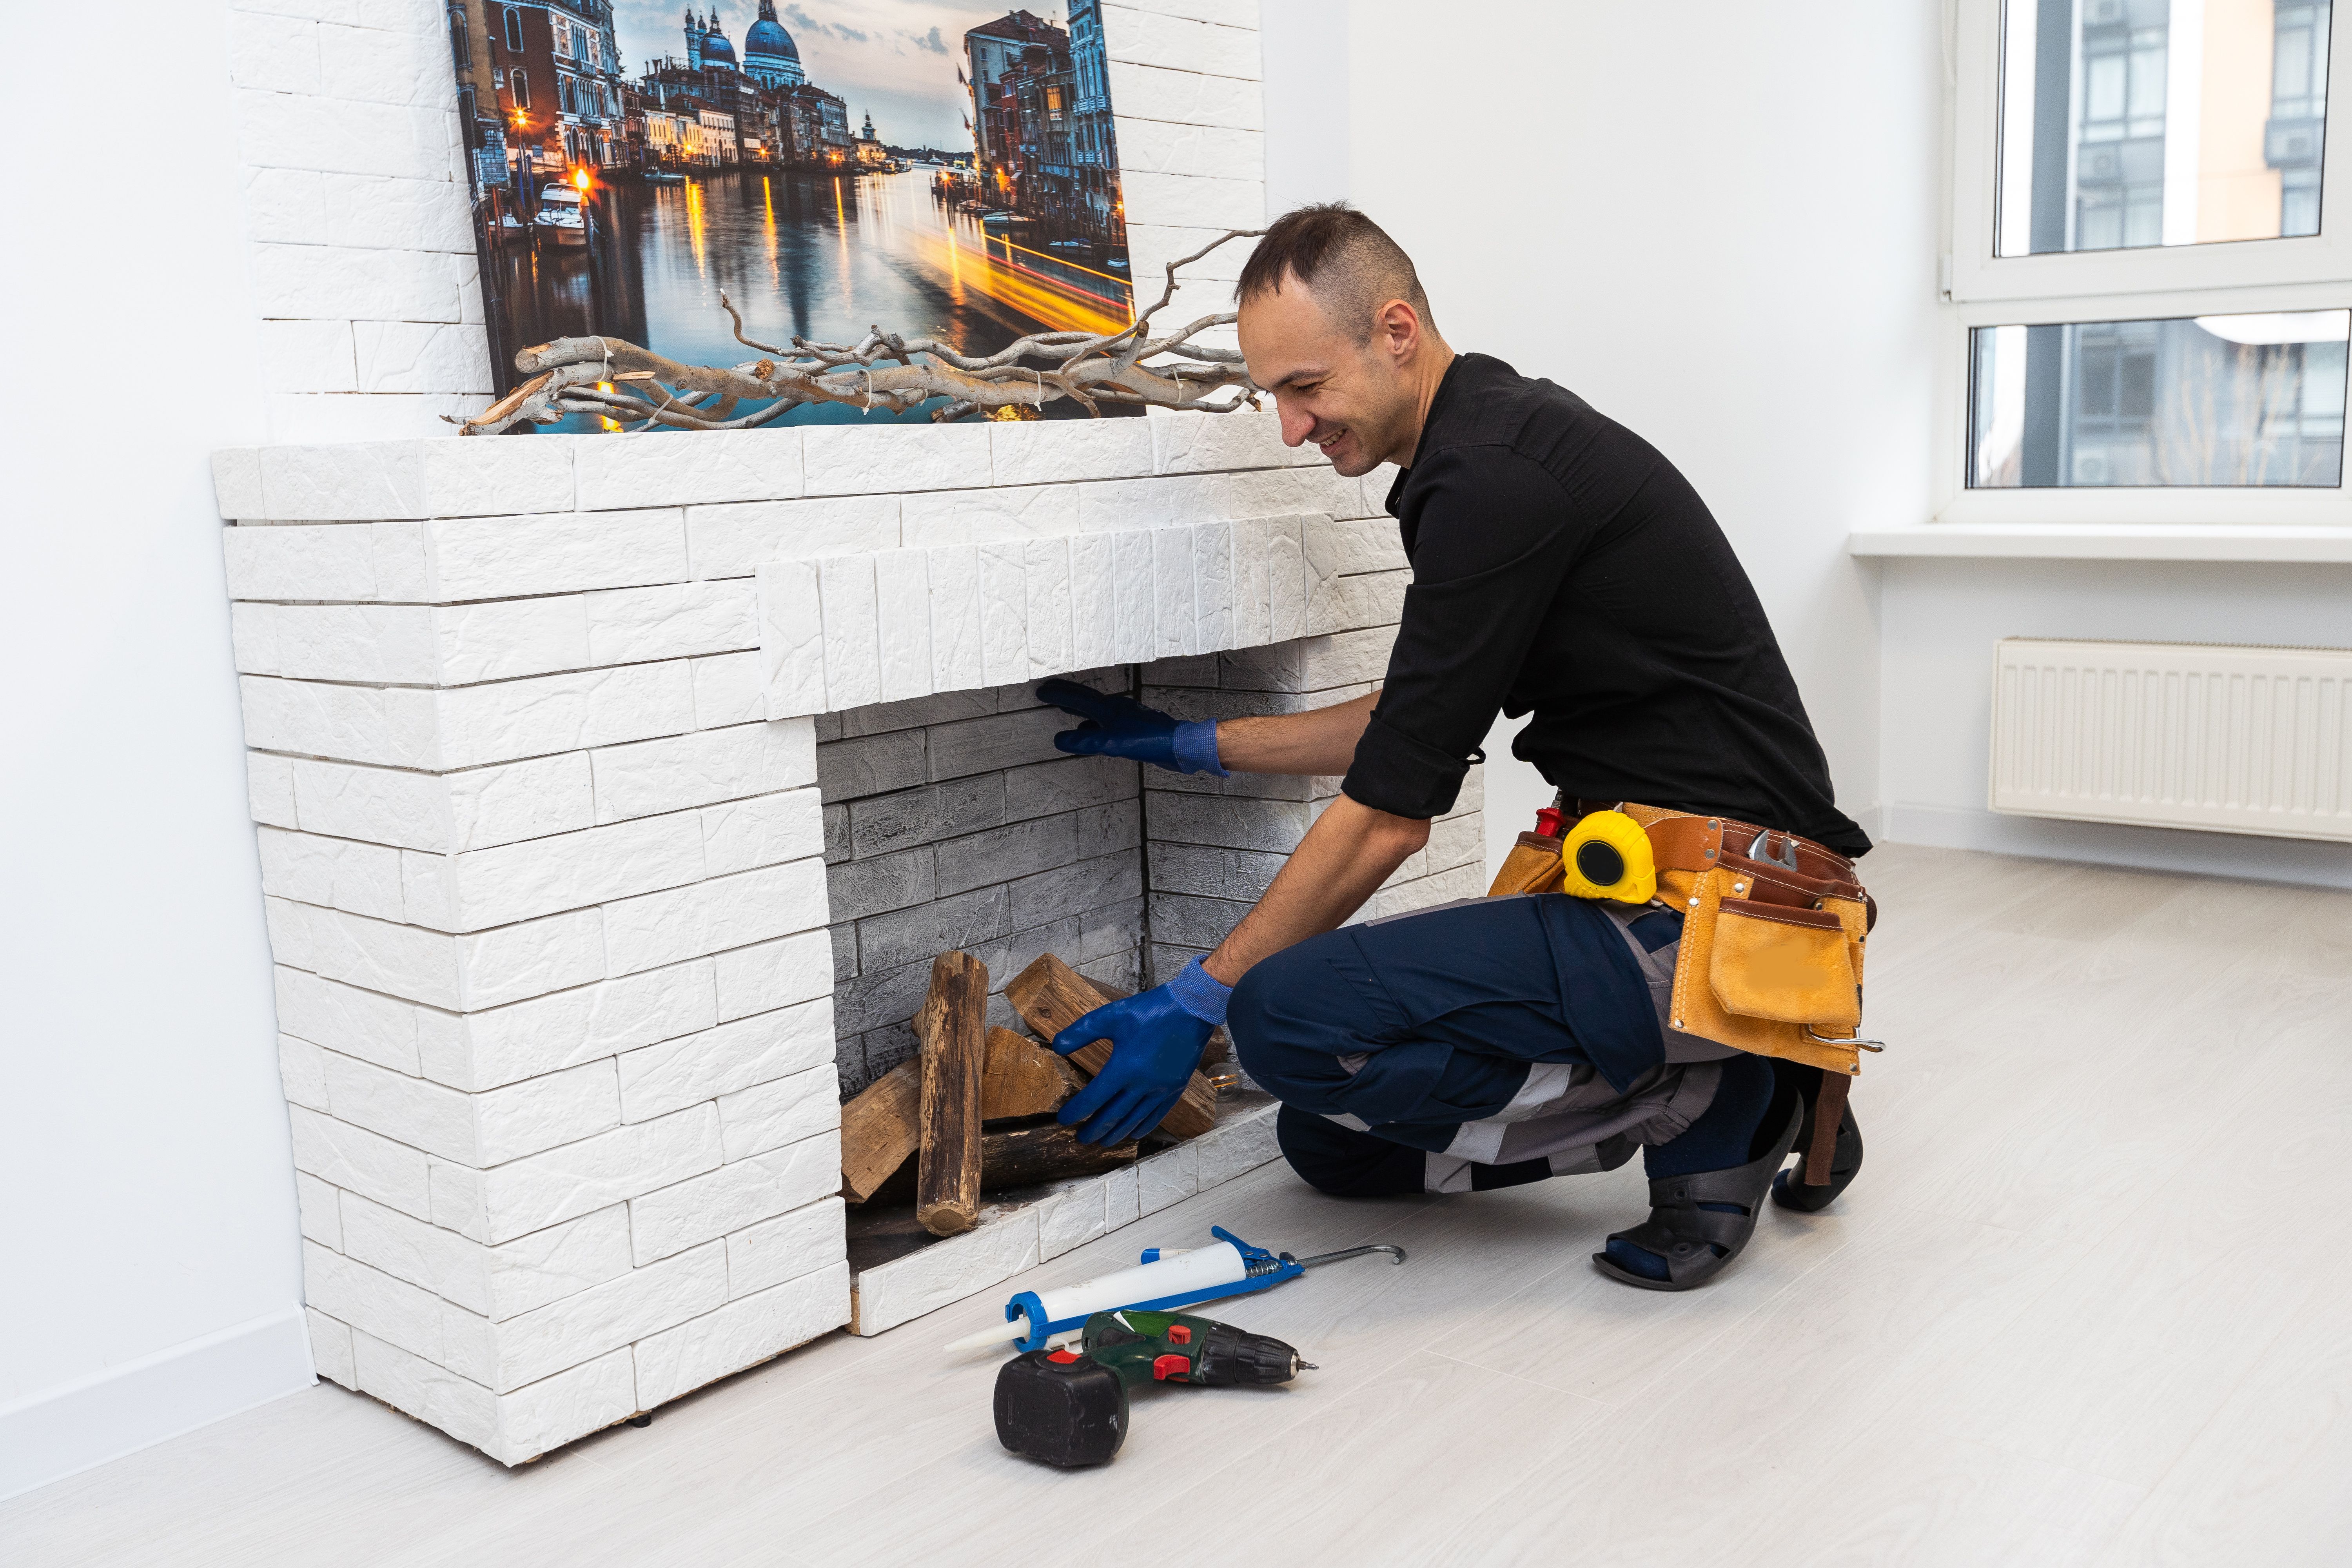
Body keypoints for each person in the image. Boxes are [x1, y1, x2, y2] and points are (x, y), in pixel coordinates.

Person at [1034, 203, 1868, 1291]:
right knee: (1330, 1146)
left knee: (1281, 1017)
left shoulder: (1492, 479)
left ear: (1397, 331)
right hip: (1686, 889)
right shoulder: (1492, 443)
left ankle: (1715, 1092)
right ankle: (1725, 1061)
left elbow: (1392, 813)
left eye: (1305, 387)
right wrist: (1191, 743)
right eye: (1274, 394)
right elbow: (1413, 717)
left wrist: (1201, 998)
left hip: (1721, 912)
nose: (1290, 427)